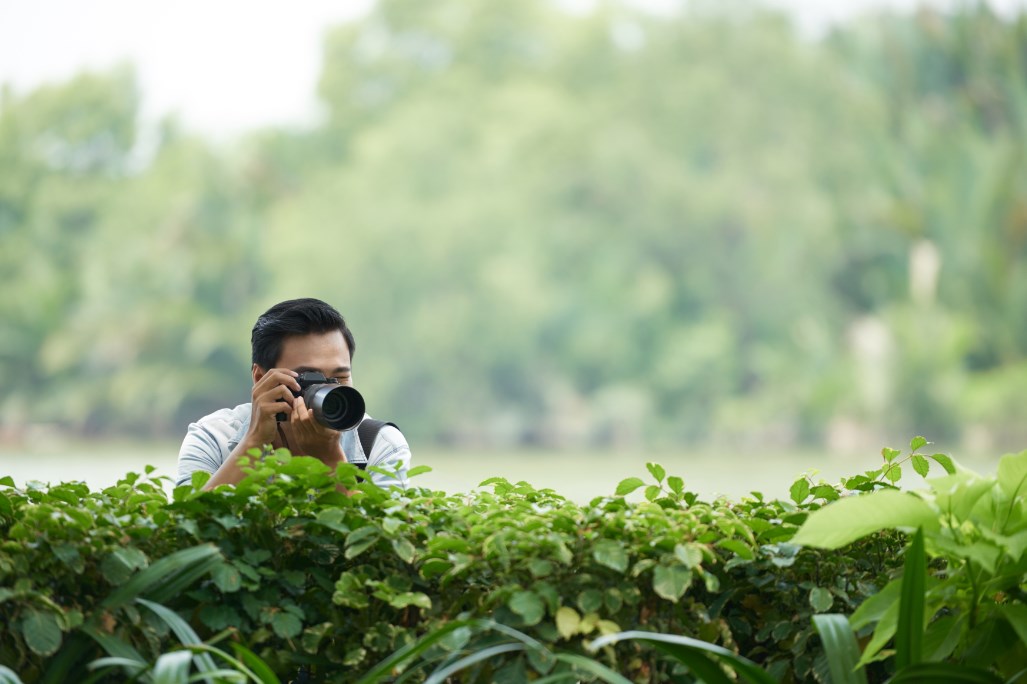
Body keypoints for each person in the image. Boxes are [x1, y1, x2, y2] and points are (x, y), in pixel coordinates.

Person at [176, 298, 410, 490]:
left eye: (339, 378)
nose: (330, 391)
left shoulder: (380, 445)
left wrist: (331, 460)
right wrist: (254, 441)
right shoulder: (212, 438)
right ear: (260, 378)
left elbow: (379, 544)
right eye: (310, 378)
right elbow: (189, 532)